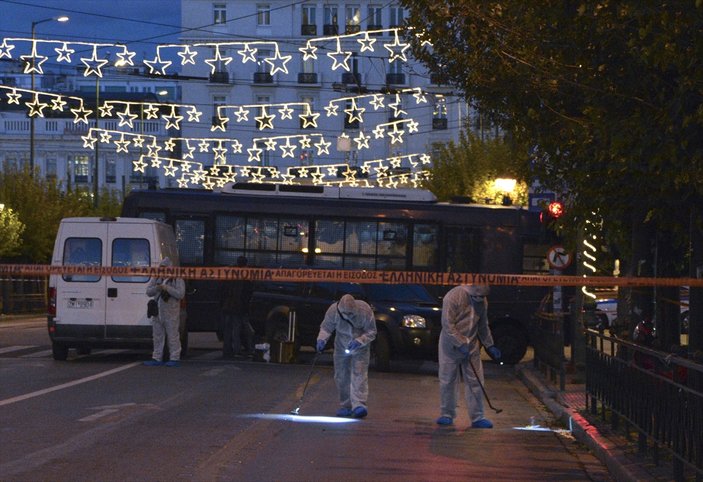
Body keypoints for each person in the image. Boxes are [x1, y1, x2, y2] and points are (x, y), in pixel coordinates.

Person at [436, 284, 502, 428]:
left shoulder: (482, 301)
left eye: (483, 297)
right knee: (448, 380)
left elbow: (483, 324)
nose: (481, 300)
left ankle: (478, 416)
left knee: (476, 381)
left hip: (471, 345)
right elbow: (447, 325)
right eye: (478, 297)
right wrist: (459, 342)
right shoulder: (452, 297)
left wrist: (489, 344)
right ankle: (446, 413)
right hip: (450, 346)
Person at [316, 293, 377, 419]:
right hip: (341, 346)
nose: (349, 316)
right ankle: (346, 405)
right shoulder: (333, 311)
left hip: (360, 349)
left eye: (351, 314)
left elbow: (372, 331)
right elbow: (326, 328)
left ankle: (359, 404)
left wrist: (359, 341)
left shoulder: (365, 310)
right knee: (341, 375)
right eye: (347, 314)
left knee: (359, 374)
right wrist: (321, 339)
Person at [144, 257, 186, 367]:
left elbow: (180, 294)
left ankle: (175, 358)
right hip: (158, 312)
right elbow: (148, 292)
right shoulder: (157, 278)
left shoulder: (177, 279)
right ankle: (157, 358)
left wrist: (167, 288)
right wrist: (158, 288)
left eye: (164, 269)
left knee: (173, 336)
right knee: (157, 336)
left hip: (171, 312)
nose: (162, 271)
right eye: (161, 268)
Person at [219, 255, 254, 359]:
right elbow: (245, 294)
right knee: (238, 329)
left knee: (228, 329)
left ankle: (227, 350)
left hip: (227, 306)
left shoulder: (230, 273)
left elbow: (223, 290)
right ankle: (238, 351)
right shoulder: (246, 277)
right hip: (238, 308)